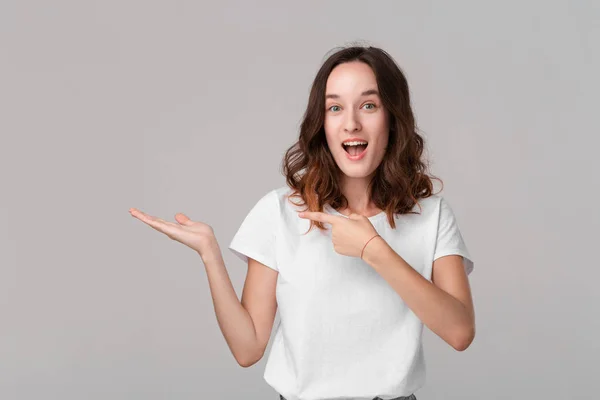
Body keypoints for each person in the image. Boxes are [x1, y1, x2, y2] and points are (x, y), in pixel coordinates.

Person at [130, 45, 475, 400]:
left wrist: (374, 250)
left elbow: (460, 331)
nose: (351, 122)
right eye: (335, 107)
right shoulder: (279, 211)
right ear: (321, 123)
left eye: (368, 105)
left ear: (392, 117)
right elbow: (248, 349)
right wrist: (209, 255)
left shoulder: (432, 215)